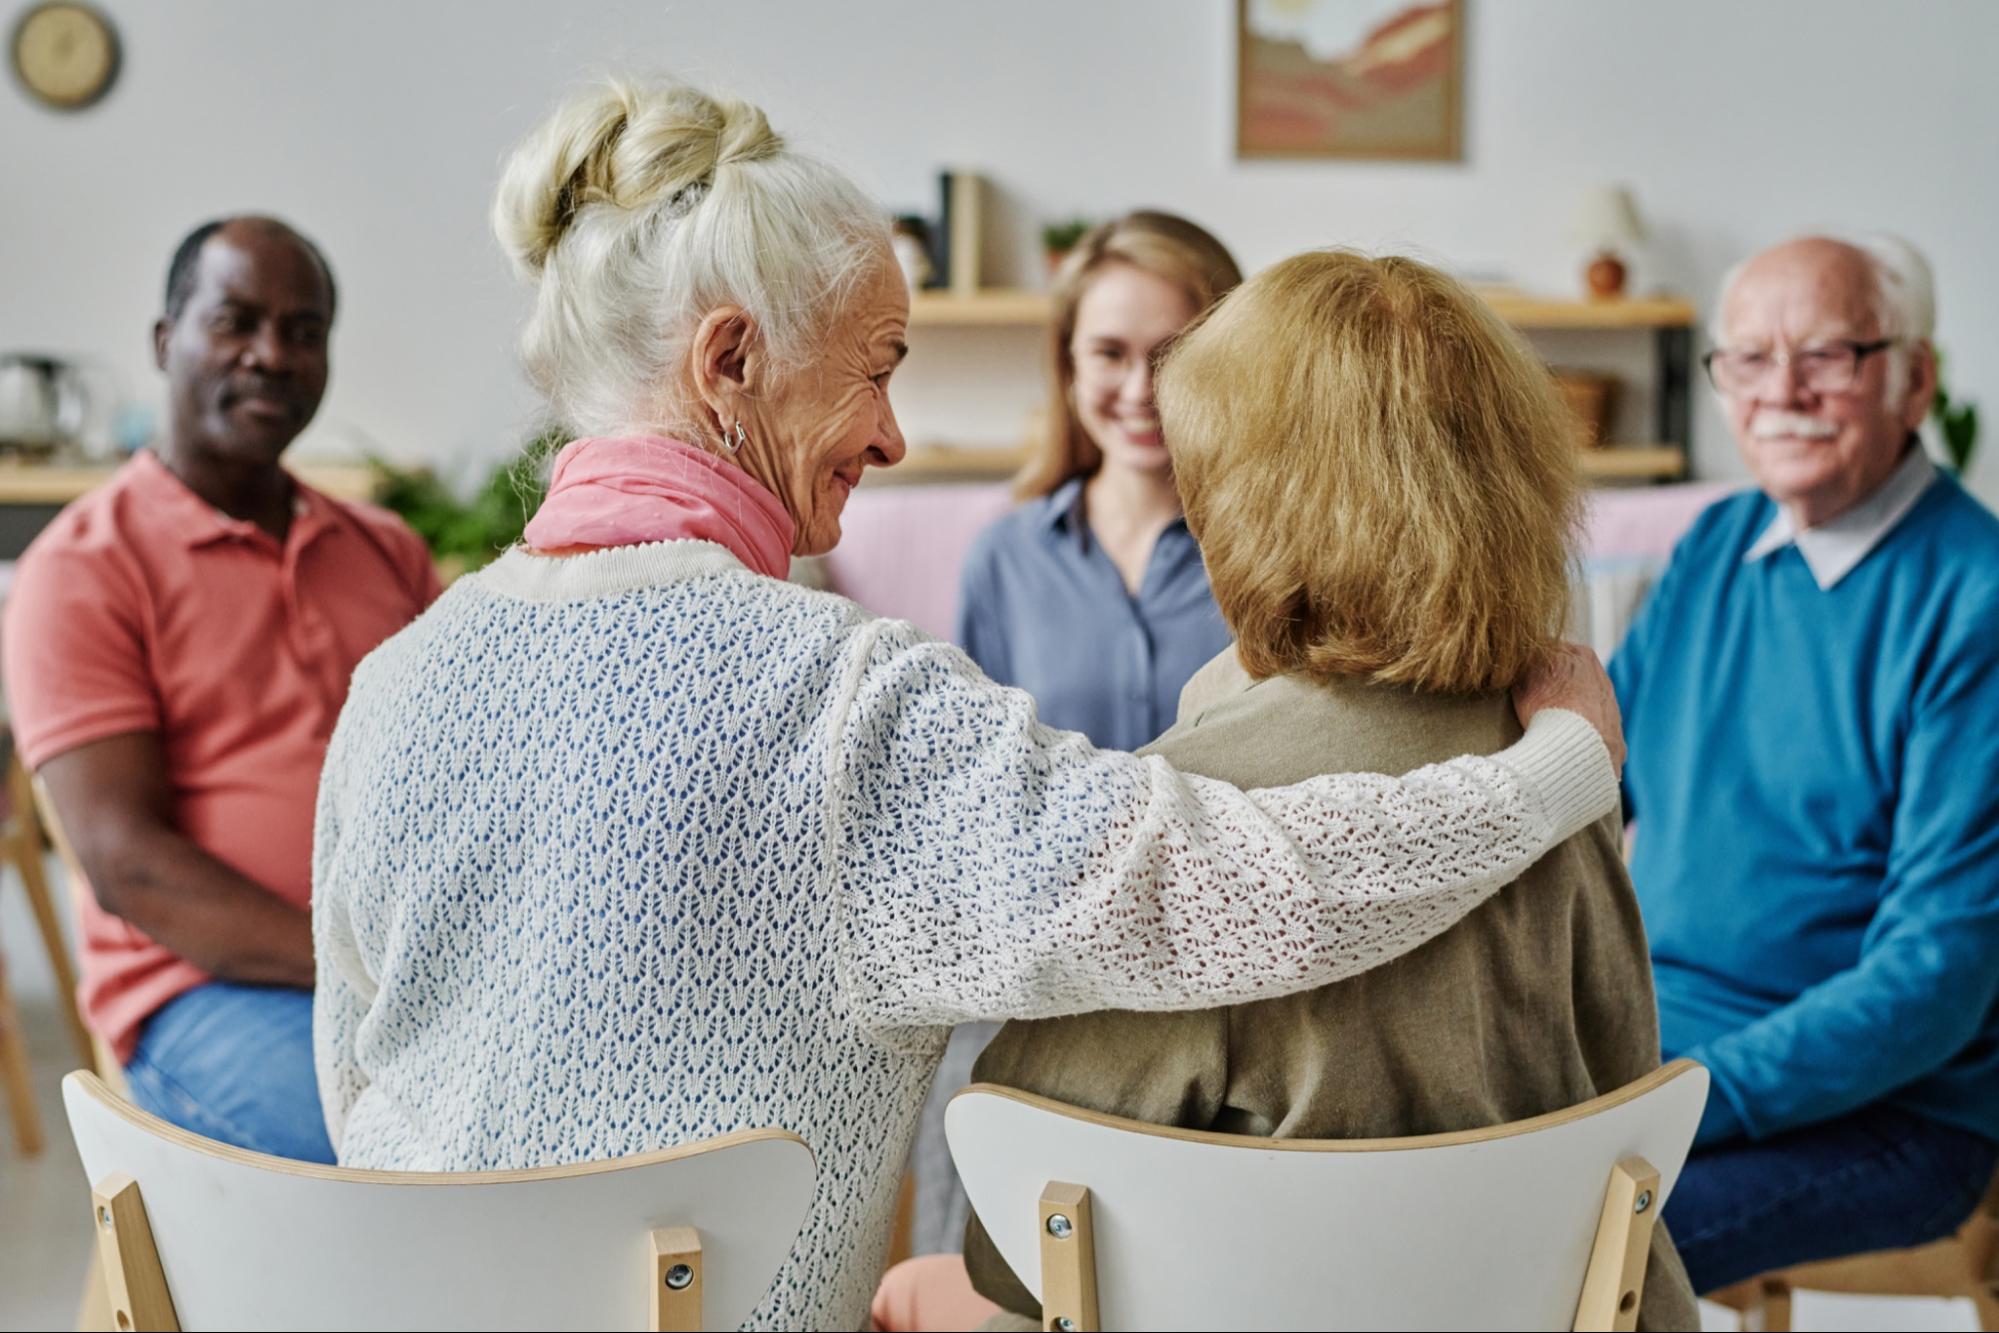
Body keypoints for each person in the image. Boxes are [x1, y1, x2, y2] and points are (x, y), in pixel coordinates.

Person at [311, 78, 1628, 1332]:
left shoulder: (392, 683)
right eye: (876, 366)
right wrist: (1558, 773)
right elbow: (1223, 886)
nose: (890, 436)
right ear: (727, 360)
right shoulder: (838, 707)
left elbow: (356, 1082)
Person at [878, 251, 1695, 1331]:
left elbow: (1015, 1229)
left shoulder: (1185, 821)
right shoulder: (1559, 763)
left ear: (1240, 505)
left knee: (910, 1291)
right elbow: (1617, 1097)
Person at [2, 216, 441, 1163]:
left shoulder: (386, 551)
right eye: (235, 320)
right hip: (200, 997)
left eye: (303, 329)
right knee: (422, 1164)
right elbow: (130, 866)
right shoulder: (82, 569)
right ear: (167, 342)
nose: (271, 355)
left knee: (575, 1132)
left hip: (401, 978)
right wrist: (361, 974)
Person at [1609, 235, 1999, 1291]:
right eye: (1747, 358)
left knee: (1555, 1252)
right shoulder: (1714, 543)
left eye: (1826, 355)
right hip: (1653, 1049)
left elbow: (1935, 983)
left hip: (1887, 1112)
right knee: (1402, 1186)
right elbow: (1583, 781)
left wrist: (1677, 1091)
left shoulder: (1977, 597)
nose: (1780, 391)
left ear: (1912, 379)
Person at [916, 211, 1241, 1254]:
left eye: (1174, 354)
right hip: (1046, 959)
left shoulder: (1270, 559)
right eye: (1109, 353)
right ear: (1067, 365)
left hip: (1222, 959)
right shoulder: (1005, 557)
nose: (1140, 389)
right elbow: (976, 795)